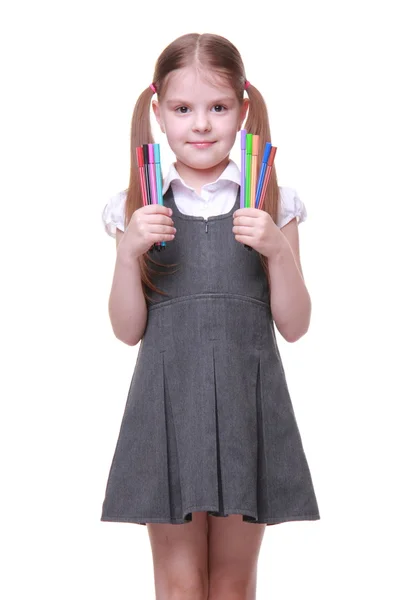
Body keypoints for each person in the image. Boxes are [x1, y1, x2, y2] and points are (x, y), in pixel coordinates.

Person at [100, 32, 320, 600]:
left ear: (243, 111)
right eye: (183, 109)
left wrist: (276, 249)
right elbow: (127, 330)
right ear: (158, 113)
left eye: (218, 108)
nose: (200, 124)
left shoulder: (274, 201)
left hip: (247, 409)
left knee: (232, 583)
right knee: (179, 584)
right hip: (166, 407)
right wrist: (128, 254)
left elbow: (295, 325)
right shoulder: (136, 206)